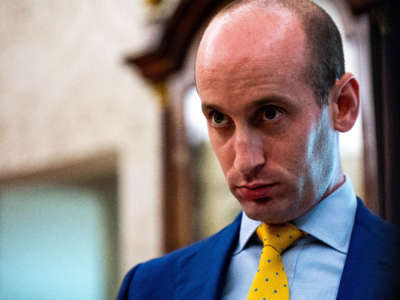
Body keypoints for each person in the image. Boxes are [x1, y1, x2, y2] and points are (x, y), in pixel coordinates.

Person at [117, 0, 399, 299]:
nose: (244, 162)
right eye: (219, 118)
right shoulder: (149, 287)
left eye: (269, 114)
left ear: (343, 105)